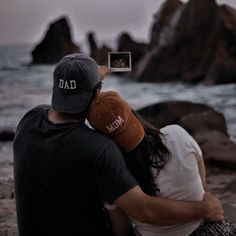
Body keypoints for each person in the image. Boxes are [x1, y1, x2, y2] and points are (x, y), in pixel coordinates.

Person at [13, 53, 224, 236]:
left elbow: (71, 95)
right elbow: (144, 210)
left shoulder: (30, 120)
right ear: (97, 93)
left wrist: (91, 78)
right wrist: (204, 209)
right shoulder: (99, 148)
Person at [87, 91, 236, 236]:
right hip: (210, 230)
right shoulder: (176, 134)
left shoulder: (112, 174)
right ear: (132, 111)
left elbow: (122, 230)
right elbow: (202, 180)